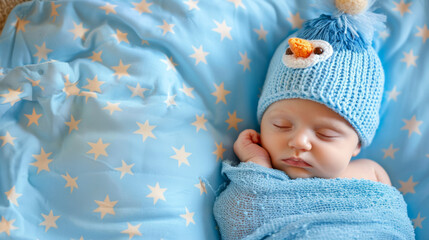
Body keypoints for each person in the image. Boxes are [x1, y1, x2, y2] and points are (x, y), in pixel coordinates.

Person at [213, 1, 415, 239]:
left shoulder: (371, 174)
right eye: (281, 126)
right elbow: (237, 224)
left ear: (357, 144)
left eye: (325, 134)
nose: (299, 142)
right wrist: (256, 167)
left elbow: (393, 226)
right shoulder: (264, 180)